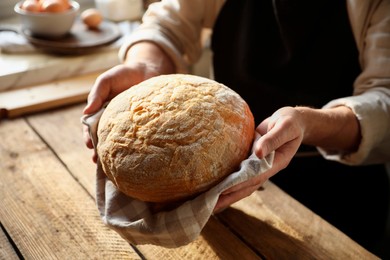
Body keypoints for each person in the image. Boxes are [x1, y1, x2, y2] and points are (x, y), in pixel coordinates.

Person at [83, 0, 390, 257]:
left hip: (335, 195)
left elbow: (385, 97)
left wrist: (307, 123)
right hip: (219, 180)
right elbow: (170, 21)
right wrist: (146, 65)